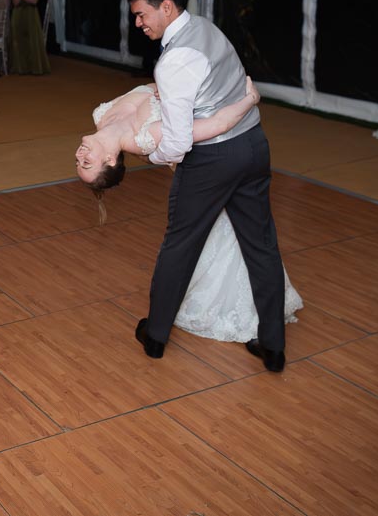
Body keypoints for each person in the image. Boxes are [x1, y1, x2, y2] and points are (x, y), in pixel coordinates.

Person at [125, 0, 287, 372]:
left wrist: (150, 155)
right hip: (254, 146)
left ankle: (156, 336)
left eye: (142, 15)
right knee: (262, 244)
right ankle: (273, 346)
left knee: (180, 243)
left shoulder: (174, 60)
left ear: (166, 7)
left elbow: (178, 143)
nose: (137, 23)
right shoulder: (206, 27)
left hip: (213, 159)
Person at [77, 77, 303, 343]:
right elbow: (215, 126)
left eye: (78, 162)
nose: (80, 156)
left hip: (222, 143)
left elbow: (153, 86)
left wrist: (170, 84)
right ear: (109, 160)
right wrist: (250, 100)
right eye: (87, 164)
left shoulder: (100, 115)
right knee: (233, 238)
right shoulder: (142, 138)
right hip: (214, 161)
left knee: (238, 237)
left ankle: (261, 319)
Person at [8, 0, 50, 75]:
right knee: (18, 40)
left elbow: (35, 1)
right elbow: (15, 3)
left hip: (31, 14)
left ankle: (35, 67)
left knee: (33, 40)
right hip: (18, 14)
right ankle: (21, 68)